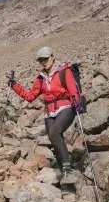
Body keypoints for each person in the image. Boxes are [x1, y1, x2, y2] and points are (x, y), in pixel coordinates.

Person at [7, 46, 82, 178]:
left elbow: (72, 89)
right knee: (54, 139)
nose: (43, 61)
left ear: (52, 57)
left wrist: (76, 100)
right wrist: (15, 86)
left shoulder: (64, 71)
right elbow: (30, 96)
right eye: (40, 60)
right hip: (49, 112)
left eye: (45, 58)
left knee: (54, 132)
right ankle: (65, 174)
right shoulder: (40, 79)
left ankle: (67, 170)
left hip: (66, 107)